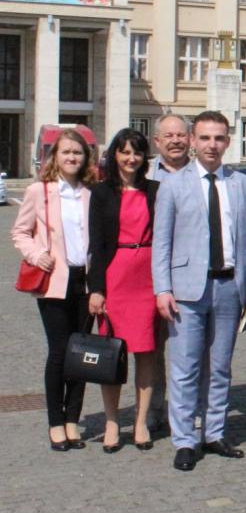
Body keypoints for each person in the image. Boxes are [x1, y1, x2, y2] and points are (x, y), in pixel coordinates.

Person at [152, 111, 246, 472]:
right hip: (186, 291)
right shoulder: (173, 184)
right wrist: (162, 288)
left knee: (220, 368)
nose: (211, 145)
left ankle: (214, 432)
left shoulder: (242, 184)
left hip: (230, 287)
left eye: (218, 138)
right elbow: (161, 243)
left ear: (227, 142)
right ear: (192, 141)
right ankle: (185, 439)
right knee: (185, 368)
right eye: (204, 138)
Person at [12, 128, 96, 451]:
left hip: (86, 281)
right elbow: (20, 232)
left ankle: (73, 418)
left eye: (78, 152)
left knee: (81, 353)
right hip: (54, 280)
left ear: (86, 157)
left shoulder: (91, 191)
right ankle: (55, 422)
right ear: (55, 157)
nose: (72, 157)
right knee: (60, 352)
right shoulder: (40, 191)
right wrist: (37, 255)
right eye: (66, 152)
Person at [87, 129, 161, 453]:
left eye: (137, 153)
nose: (131, 158)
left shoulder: (155, 190)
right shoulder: (101, 192)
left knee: (146, 352)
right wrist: (96, 289)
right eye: (125, 152)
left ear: (145, 157)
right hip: (115, 274)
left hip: (148, 276)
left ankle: (141, 421)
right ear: (114, 155)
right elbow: (96, 244)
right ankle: (112, 422)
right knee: (112, 355)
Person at [146, 112, 191, 432]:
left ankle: (188, 409)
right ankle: (154, 408)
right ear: (157, 141)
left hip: (191, 275)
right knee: (152, 346)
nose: (175, 141)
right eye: (169, 136)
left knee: (192, 347)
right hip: (149, 273)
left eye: (181, 135)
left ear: (190, 138)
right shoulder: (143, 175)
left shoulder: (202, 172)